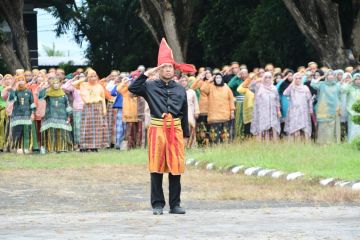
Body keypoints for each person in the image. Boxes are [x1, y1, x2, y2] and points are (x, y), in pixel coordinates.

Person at [128, 38, 193, 215]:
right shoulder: (149, 86)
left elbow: (184, 112)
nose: (167, 70)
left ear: (174, 69)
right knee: (156, 167)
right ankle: (157, 204)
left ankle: (175, 204)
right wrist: (147, 73)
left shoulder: (180, 89)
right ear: (159, 69)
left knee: (176, 167)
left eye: (170, 67)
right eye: (164, 67)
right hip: (157, 130)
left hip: (176, 131)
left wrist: (186, 135)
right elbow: (132, 89)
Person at [78, 69, 109, 151]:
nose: (93, 78)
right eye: (91, 76)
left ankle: (95, 146)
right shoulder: (84, 84)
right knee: (86, 127)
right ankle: (84, 146)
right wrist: (84, 79)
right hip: (88, 107)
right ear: (88, 77)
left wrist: (104, 109)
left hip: (98, 107)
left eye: (95, 76)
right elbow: (74, 84)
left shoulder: (99, 86)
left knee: (97, 128)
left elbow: (102, 98)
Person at [39, 78, 73, 153]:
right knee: (51, 133)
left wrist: (68, 116)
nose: (56, 85)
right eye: (54, 83)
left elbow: (67, 105)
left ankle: (62, 148)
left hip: (62, 116)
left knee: (62, 132)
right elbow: (40, 96)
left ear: (60, 84)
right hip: (50, 116)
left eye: (57, 83)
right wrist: (46, 87)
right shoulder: (48, 94)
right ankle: (51, 148)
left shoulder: (63, 95)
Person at [201, 73, 235, 144]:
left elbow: (231, 99)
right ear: (214, 79)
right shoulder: (211, 86)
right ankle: (214, 149)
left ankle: (224, 150)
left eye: (219, 78)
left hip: (225, 116)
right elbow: (203, 89)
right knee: (214, 137)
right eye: (216, 78)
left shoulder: (226, 87)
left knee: (225, 136)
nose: (218, 79)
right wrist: (209, 80)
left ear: (222, 79)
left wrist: (232, 111)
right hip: (214, 116)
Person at [8, 76, 38, 154]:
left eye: (22, 80)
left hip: (27, 114)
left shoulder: (28, 91)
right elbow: (11, 99)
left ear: (25, 81)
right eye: (19, 80)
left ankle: (27, 148)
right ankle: (16, 148)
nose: (21, 81)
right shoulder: (15, 91)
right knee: (16, 131)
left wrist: (32, 113)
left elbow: (32, 103)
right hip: (17, 115)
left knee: (27, 131)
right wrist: (13, 86)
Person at [311, 70, 341, 144]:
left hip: (334, 109)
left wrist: (339, 108)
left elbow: (339, 97)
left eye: (332, 75)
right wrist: (322, 77)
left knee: (332, 127)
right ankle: (321, 142)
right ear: (326, 76)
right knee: (322, 126)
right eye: (328, 75)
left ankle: (331, 142)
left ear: (334, 76)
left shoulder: (337, 85)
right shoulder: (321, 84)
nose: (330, 76)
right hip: (323, 109)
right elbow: (312, 84)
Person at [250, 72, 281, 141]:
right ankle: (262, 144)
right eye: (266, 77)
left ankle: (275, 144)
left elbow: (277, 100)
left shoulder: (274, 88)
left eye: (269, 77)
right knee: (263, 127)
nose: (267, 79)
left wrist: (278, 110)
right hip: (262, 111)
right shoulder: (259, 87)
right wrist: (258, 80)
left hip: (272, 111)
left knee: (274, 127)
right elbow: (250, 87)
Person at [283, 72, 313, 141]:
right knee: (295, 128)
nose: (298, 80)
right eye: (296, 78)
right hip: (294, 111)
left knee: (305, 128)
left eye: (299, 78)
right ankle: (296, 144)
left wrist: (311, 109)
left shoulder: (305, 88)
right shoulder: (292, 87)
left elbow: (309, 99)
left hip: (303, 111)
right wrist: (291, 84)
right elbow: (285, 93)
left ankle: (306, 144)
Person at [179, 75, 199, 148]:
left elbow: (195, 102)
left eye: (185, 81)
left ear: (187, 82)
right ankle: (181, 146)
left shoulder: (192, 92)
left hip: (190, 112)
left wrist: (196, 112)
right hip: (180, 113)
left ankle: (190, 145)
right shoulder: (177, 91)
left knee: (191, 128)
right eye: (182, 81)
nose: (184, 82)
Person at [341, 73, 360, 142]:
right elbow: (342, 89)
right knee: (352, 129)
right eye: (356, 79)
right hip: (351, 112)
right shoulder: (350, 87)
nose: (358, 81)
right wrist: (350, 81)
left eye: (359, 79)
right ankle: (351, 143)